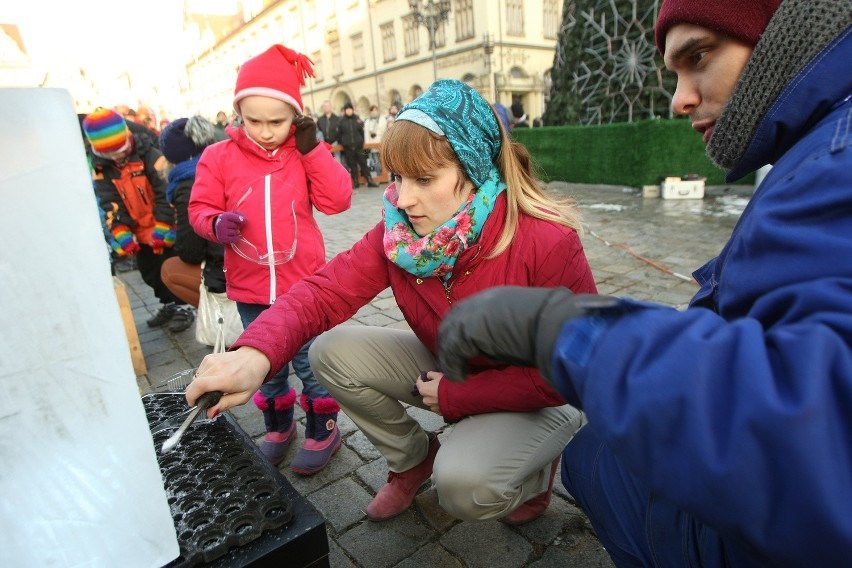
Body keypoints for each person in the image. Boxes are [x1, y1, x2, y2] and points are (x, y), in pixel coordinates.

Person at [436, 0, 852, 565]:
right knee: (591, 457)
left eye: (699, 56)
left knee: (587, 459)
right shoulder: (815, 150)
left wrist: (570, 334)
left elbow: (819, 433)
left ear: (786, 34)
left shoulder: (837, 161)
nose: (679, 98)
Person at [185, 79, 597, 525]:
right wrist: (255, 354)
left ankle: (532, 477)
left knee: (462, 487)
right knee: (330, 352)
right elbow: (324, 291)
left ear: (475, 168)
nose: (403, 198)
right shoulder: (401, 236)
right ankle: (412, 459)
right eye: (397, 176)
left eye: (424, 178)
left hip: (543, 395)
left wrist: (459, 396)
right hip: (457, 364)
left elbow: (573, 371)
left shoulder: (547, 240)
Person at [188, 44, 352, 474]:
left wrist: (314, 149)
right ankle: (279, 427)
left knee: (311, 362)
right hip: (251, 286)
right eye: (252, 120)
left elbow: (338, 200)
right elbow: (199, 208)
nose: (264, 131)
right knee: (266, 365)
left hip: (305, 285)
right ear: (238, 112)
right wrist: (214, 222)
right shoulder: (218, 157)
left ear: (295, 117)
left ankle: (324, 428)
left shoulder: (302, 153)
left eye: (276, 121)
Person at [83, 108, 187, 330]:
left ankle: (183, 307)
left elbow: (165, 193)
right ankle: (168, 304)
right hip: (139, 232)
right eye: (110, 154)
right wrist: (121, 232)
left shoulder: (151, 156)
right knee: (150, 273)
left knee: (174, 268)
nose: (117, 157)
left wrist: (162, 227)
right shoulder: (102, 169)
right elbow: (110, 203)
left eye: (119, 150)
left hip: (166, 227)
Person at [158, 116, 225, 311]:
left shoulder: (187, 184)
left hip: (230, 272)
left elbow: (191, 252)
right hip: (260, 261)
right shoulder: (223, 164)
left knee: (169, 270)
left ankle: (223, 313)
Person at [336, 102, 378, 189]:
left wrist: (361, 141)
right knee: (352, 165)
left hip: (358, 146)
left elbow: (362, 131)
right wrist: (344, 143)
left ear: (352, 110)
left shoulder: (357, 119)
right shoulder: (341, 121)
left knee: (363, 164)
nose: (348, 111)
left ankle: (369, 180)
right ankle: (355, 182)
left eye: (350, 109)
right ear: (345, 111)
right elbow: (339, 134)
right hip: (348, 147)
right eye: (347, 109)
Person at [363, 104, 386, 180]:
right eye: (372, 110)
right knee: (376, 161)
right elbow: (366, 133)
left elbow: (384, 131)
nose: (374, 112)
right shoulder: (367, 121)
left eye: (375, 110)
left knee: (383, 160)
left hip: (380, 142)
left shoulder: (382, 119)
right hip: (372, 144)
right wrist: (367, 145)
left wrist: (384, 141)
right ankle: (379, 175)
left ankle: (384, 176)